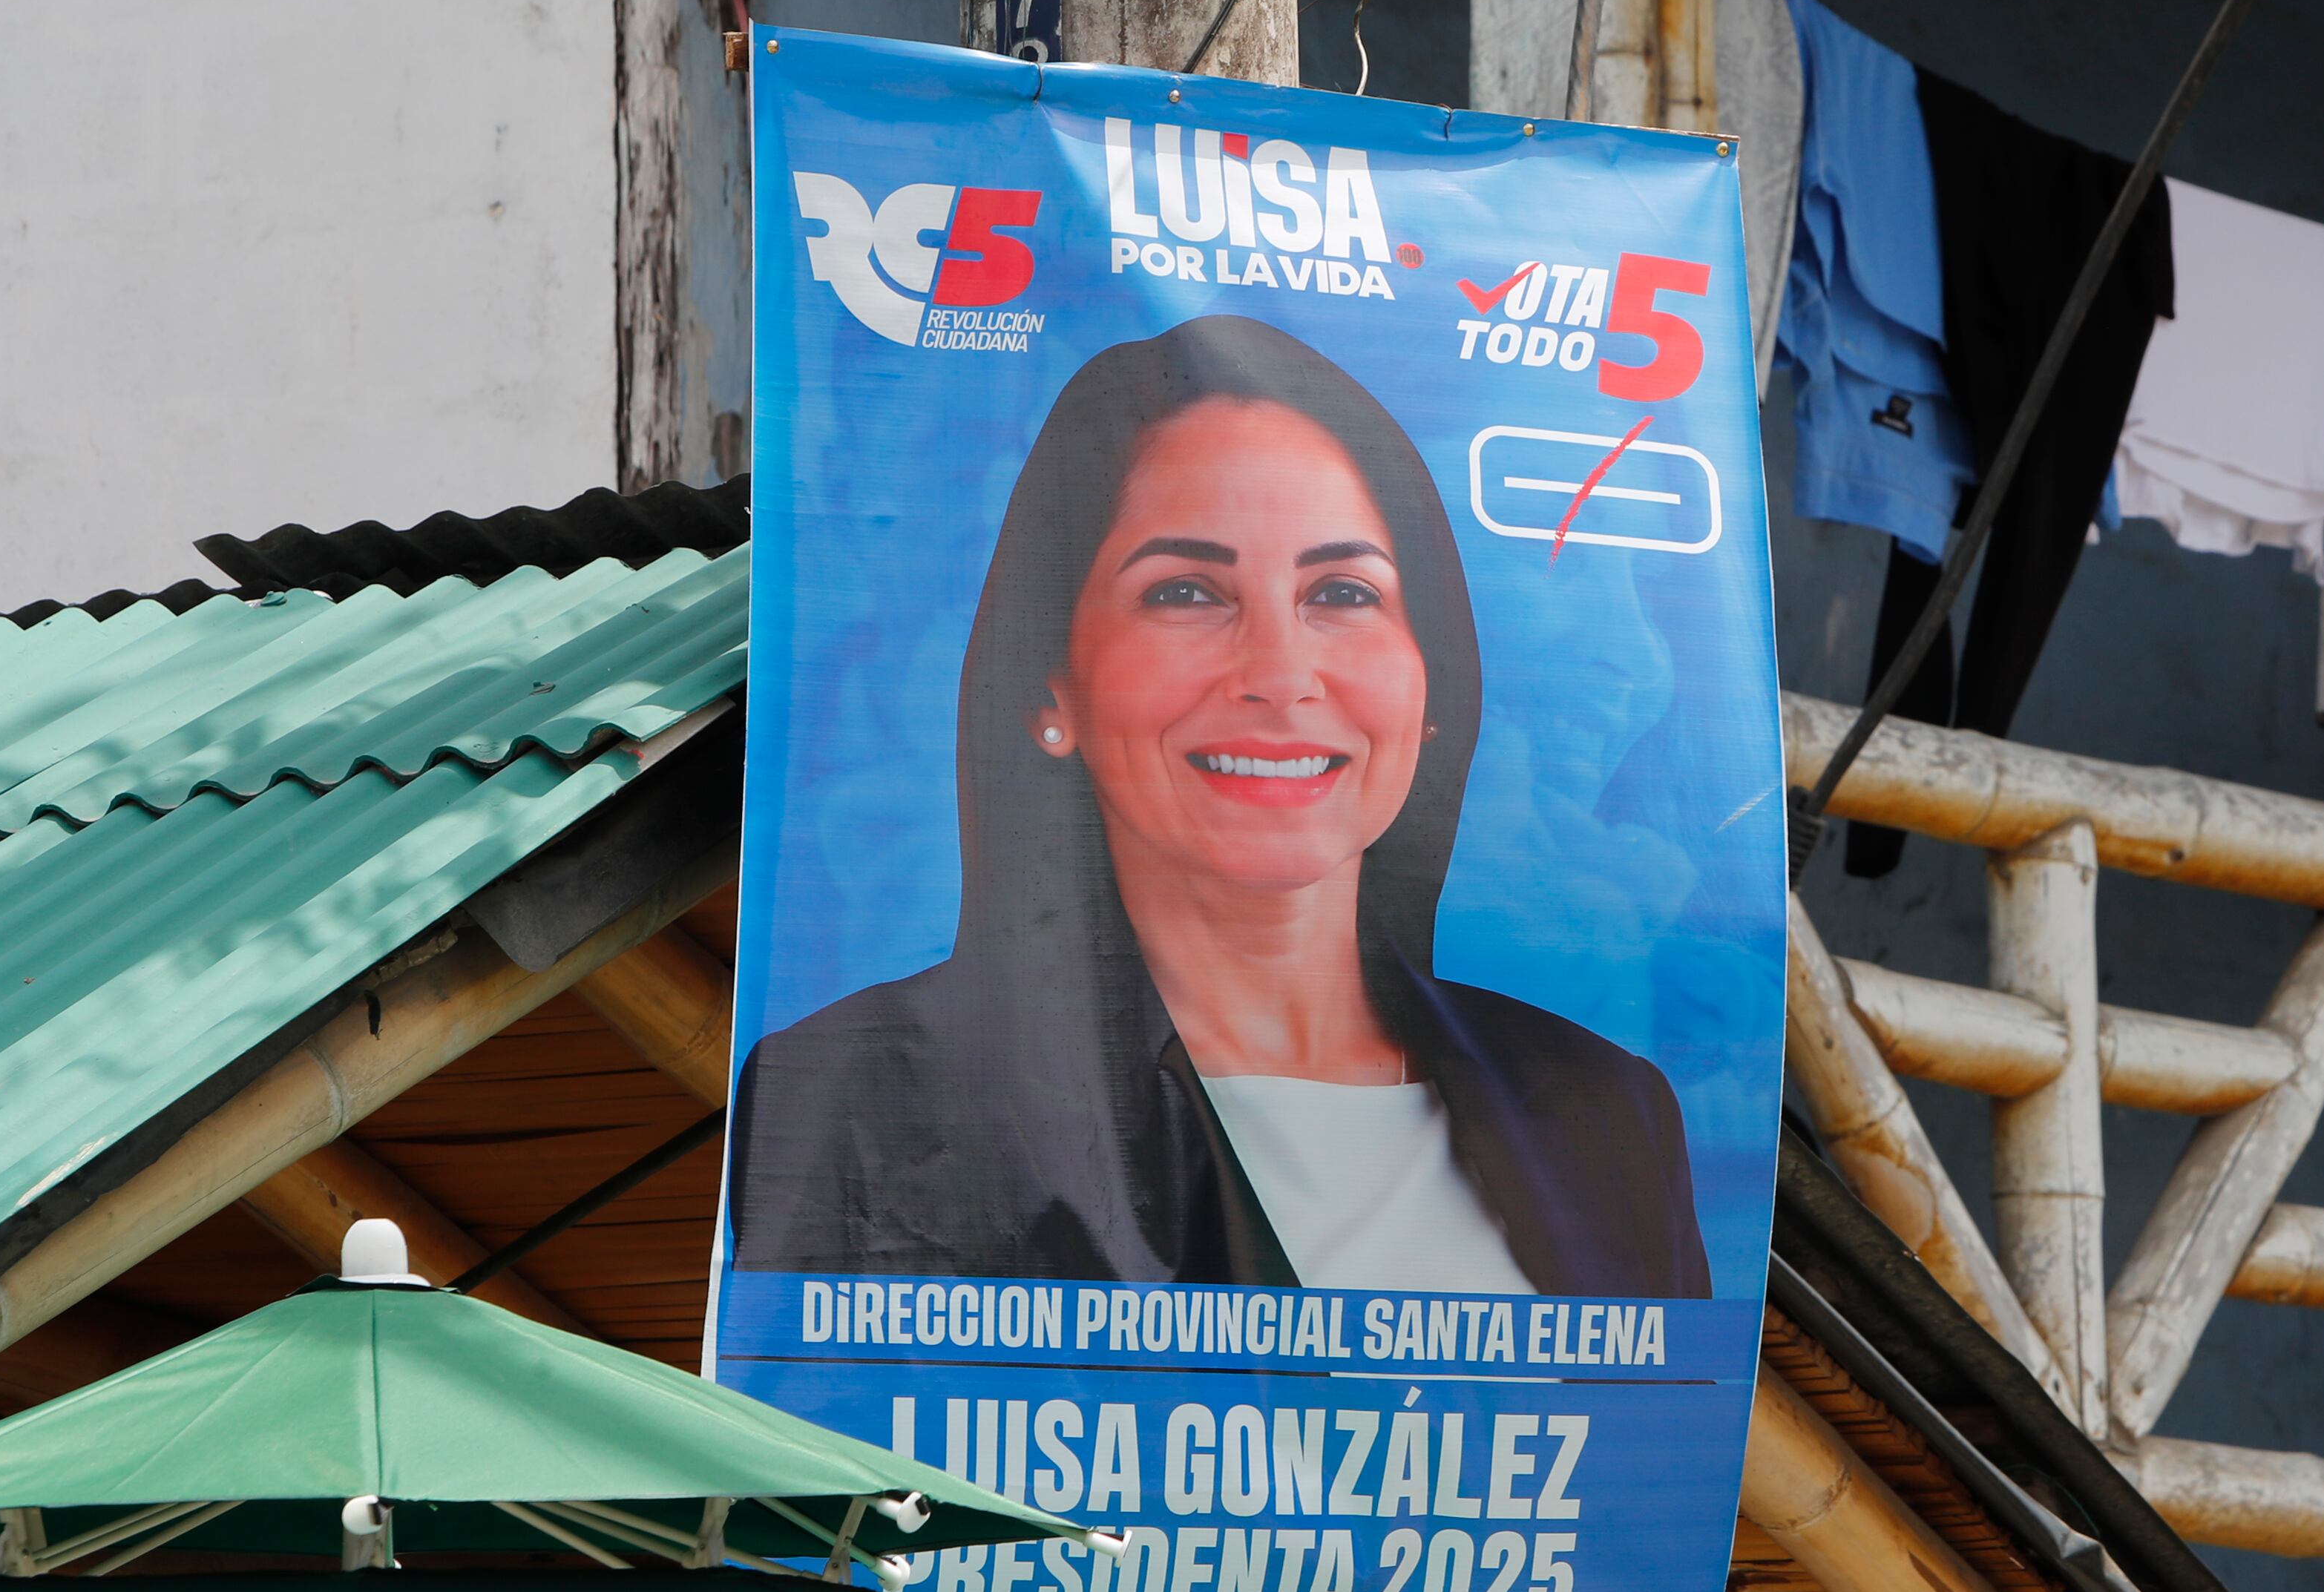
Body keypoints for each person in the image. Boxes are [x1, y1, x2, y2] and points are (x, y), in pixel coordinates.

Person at [728, 315, 1710, 1297]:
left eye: (1343, 592)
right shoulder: (860, 1094)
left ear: (1431, 688)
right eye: (1186, 592)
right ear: (1049, 691)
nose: (1280, 675)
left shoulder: (1609, 1115)